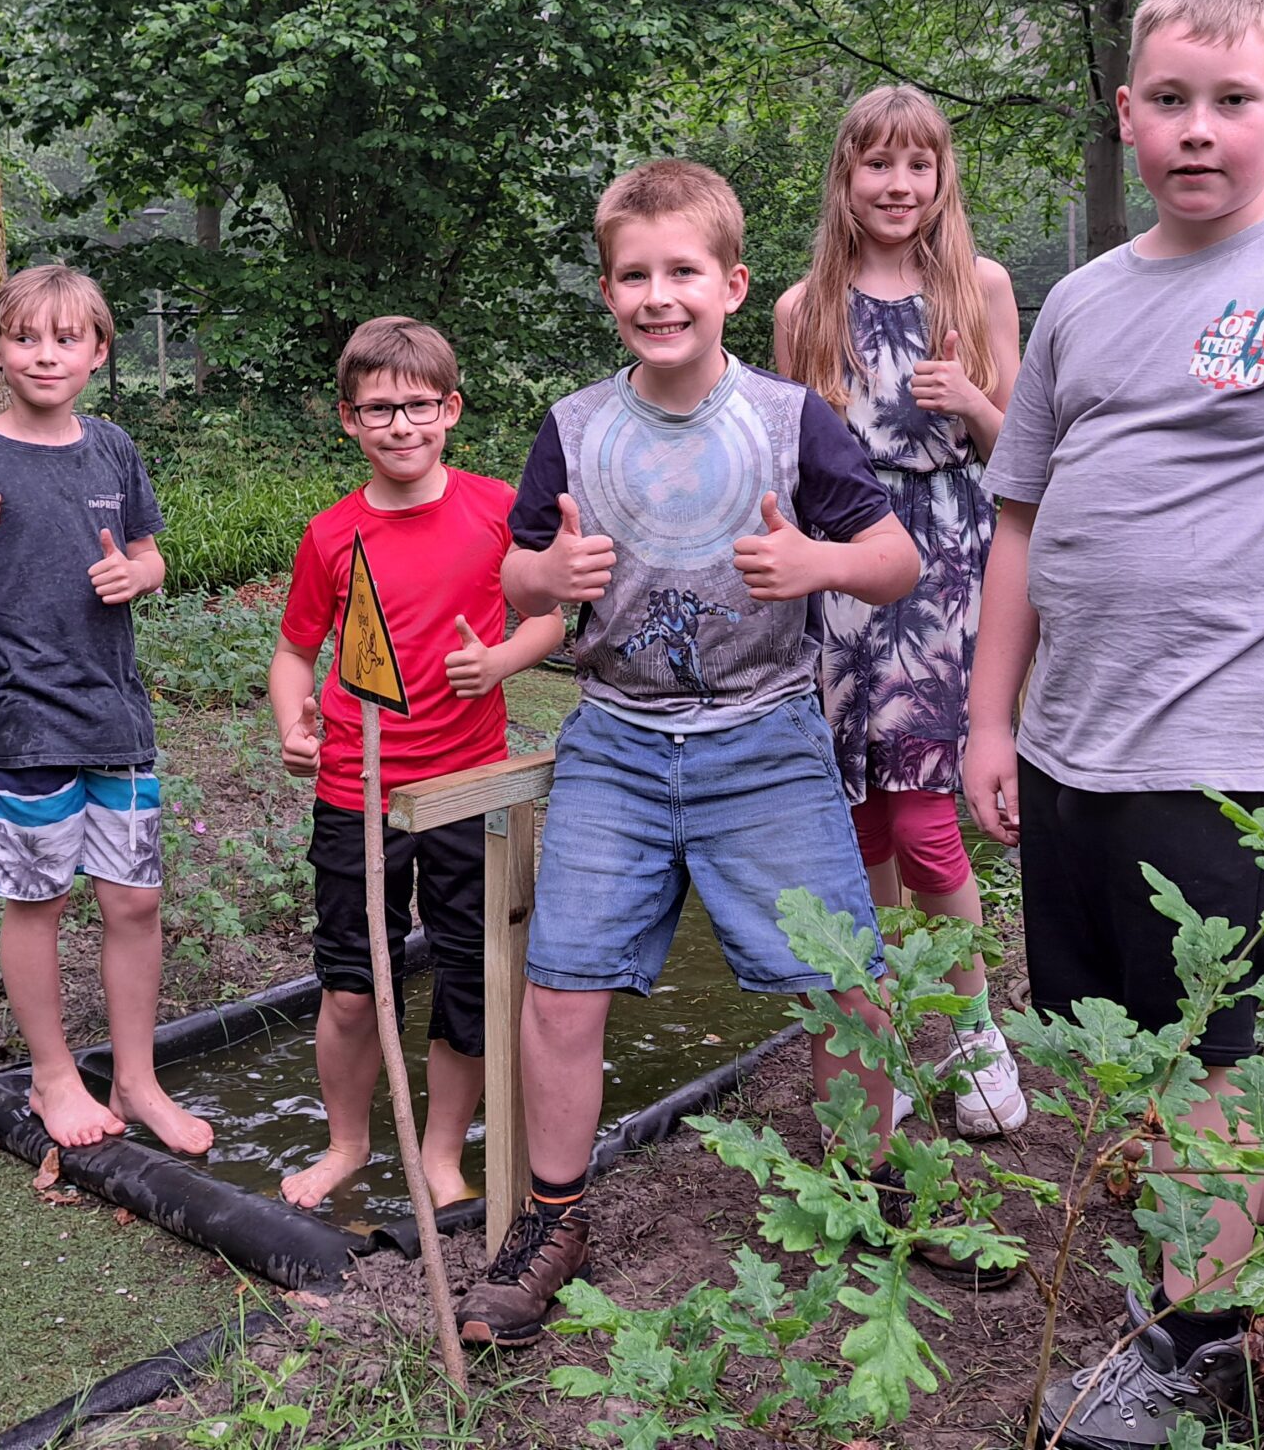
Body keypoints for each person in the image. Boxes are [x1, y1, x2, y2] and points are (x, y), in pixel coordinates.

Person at [963, 0, 1264, 1449]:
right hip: (1070, 750)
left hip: (1226, 757)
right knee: (1115, 1048)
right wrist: (992, 724)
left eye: (1231, 102)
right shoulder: (1086, 305)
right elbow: (1020, 526)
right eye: (1168, 100)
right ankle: (1191, 1279)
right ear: (1126, 112)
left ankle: (1202, 1351)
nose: (1196, 130)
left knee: (1205, 1063)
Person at [451, 158, 922, 1348]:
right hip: (614, 739)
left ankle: (867, 1191)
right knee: (564, 987)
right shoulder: (574, 428)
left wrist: (816, 563)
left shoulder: (785, 421)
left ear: (730, 284)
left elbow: (895, 560)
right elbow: (514, 572)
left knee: (844, 986)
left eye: (682, 273)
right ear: (609, 292)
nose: (658, 295)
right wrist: (543, 579)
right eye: (633, 276)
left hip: (764, 736)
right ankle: (554, 1220)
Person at [0, 264, 214, 1157]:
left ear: (98, 352)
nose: (47, 354)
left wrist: (138, 574)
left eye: (67, 338)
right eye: (27, 338)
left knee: (136, 901)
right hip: (17, 723)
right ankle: (51, 1076)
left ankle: (136, 1078)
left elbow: (153, 557)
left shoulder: (113, 449)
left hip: (114, 717)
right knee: (35, 900)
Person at [773, 84, 1028, 1139]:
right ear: (846, 176)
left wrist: (969, 404)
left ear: (940, 179)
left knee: (925, 821)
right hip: (839, 577)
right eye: (877, 164)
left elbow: (1023, 456)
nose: (897, 184)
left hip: (945, 580)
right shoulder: (802, 308)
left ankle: (974, 1034)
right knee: (858, 818)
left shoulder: (979, 288)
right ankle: (874, 1039)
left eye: (916, 165)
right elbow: (783, 462)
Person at [267, 316, 565, 1212]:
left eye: (418, 406)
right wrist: (295, 724)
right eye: (379, 409)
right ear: (348, 420)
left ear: (452, 409)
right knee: (355, 987)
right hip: (354, 792)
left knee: (470, 980)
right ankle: (349, 1144)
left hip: (468, 788)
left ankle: (441, 1155)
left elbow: (549, 617)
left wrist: (504, 661)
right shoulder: (331, 535)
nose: (401, 425)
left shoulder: (499, 509)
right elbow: (294, 654)